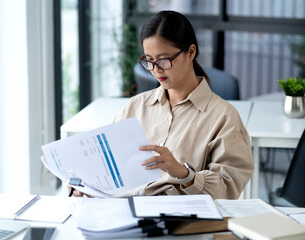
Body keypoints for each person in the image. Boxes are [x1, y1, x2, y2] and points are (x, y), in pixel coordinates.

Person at [71, 10, 253, 199]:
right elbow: (108, 165)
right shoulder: (136, 106)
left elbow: (228, 189)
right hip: (124, 211)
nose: (156, 70)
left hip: (179, 219)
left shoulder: (224, 117)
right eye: (149, 61)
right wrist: (87, 187)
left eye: (164, 60)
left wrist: (183, 173)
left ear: (190, 52)